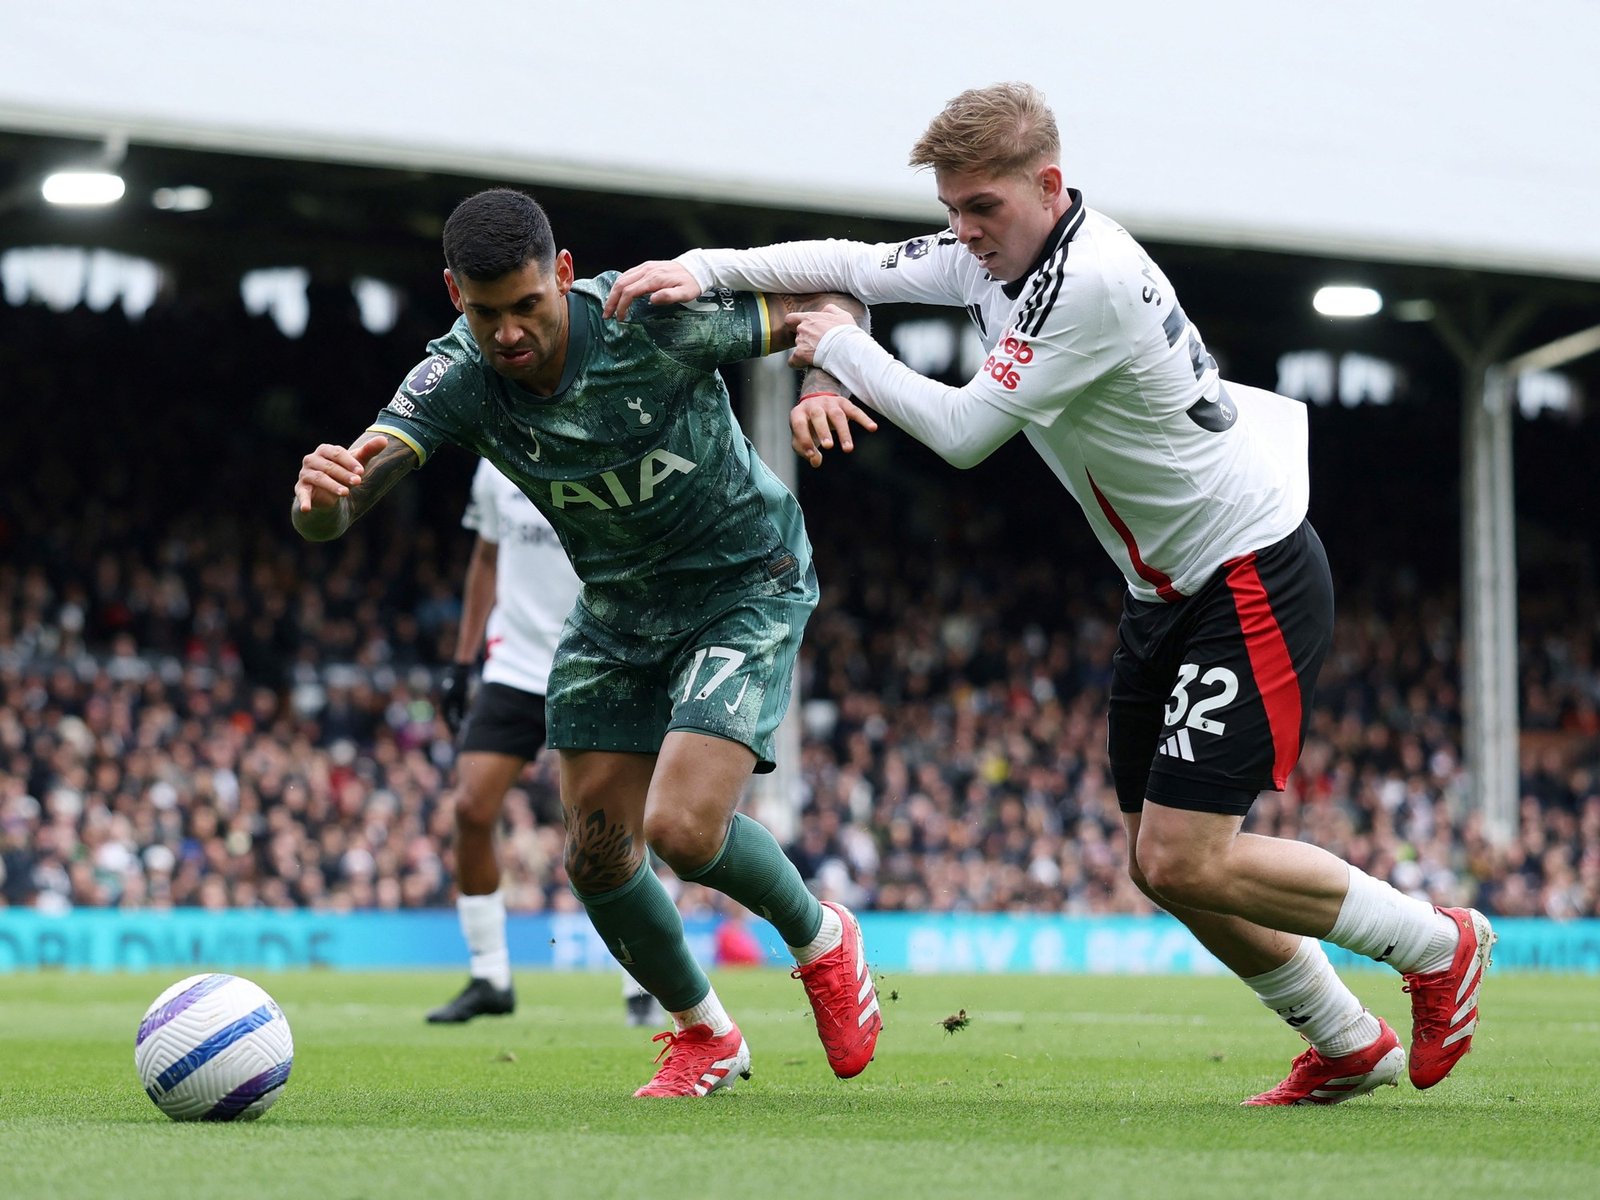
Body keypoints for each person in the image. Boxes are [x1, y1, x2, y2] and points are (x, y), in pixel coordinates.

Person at [605, 82, 1493, 1107]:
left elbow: (966, 432)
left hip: (1249, 573)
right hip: (1162, 591)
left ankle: (1437, 943)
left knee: (1184, 853)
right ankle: (1346, 1041)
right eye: (951, 210)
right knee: (1160, 867)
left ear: (1048, 185)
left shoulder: (1088, 280)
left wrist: (838, 350)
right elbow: (849, 264)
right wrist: (706, 268)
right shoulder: (1003, 251)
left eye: (981, 208)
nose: (962, 232)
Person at [293, 188, 882, 1097]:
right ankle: (706, 1036)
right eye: (486, 313)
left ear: (562, 275)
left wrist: (826, 379)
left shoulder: (651, 319)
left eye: (527, 305)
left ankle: (822, 939)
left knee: (682, 831)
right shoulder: (454, 376)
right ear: (455, 295)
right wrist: (321, 504)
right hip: (615, 611)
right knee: (598, 857)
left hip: (744, 584)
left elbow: (836, 303)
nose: (509, 333)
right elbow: (348, 499)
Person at [425, 456, 659, 1028]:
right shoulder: (489, 464)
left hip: (594, 660)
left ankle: (643, 982)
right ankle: (490, 977)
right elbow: (486, 556)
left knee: (606, 836)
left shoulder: (609, 450)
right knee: (471, 808)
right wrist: (462, 659)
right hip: (514, 667)